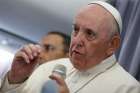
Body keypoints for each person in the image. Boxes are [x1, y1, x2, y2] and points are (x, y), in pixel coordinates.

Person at [0, 1, 140, 93]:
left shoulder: (129, 88)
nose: (77, 40)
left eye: (90, 33)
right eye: (76, 29)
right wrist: (15, 80)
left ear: (112, 44)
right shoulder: (47, 68)